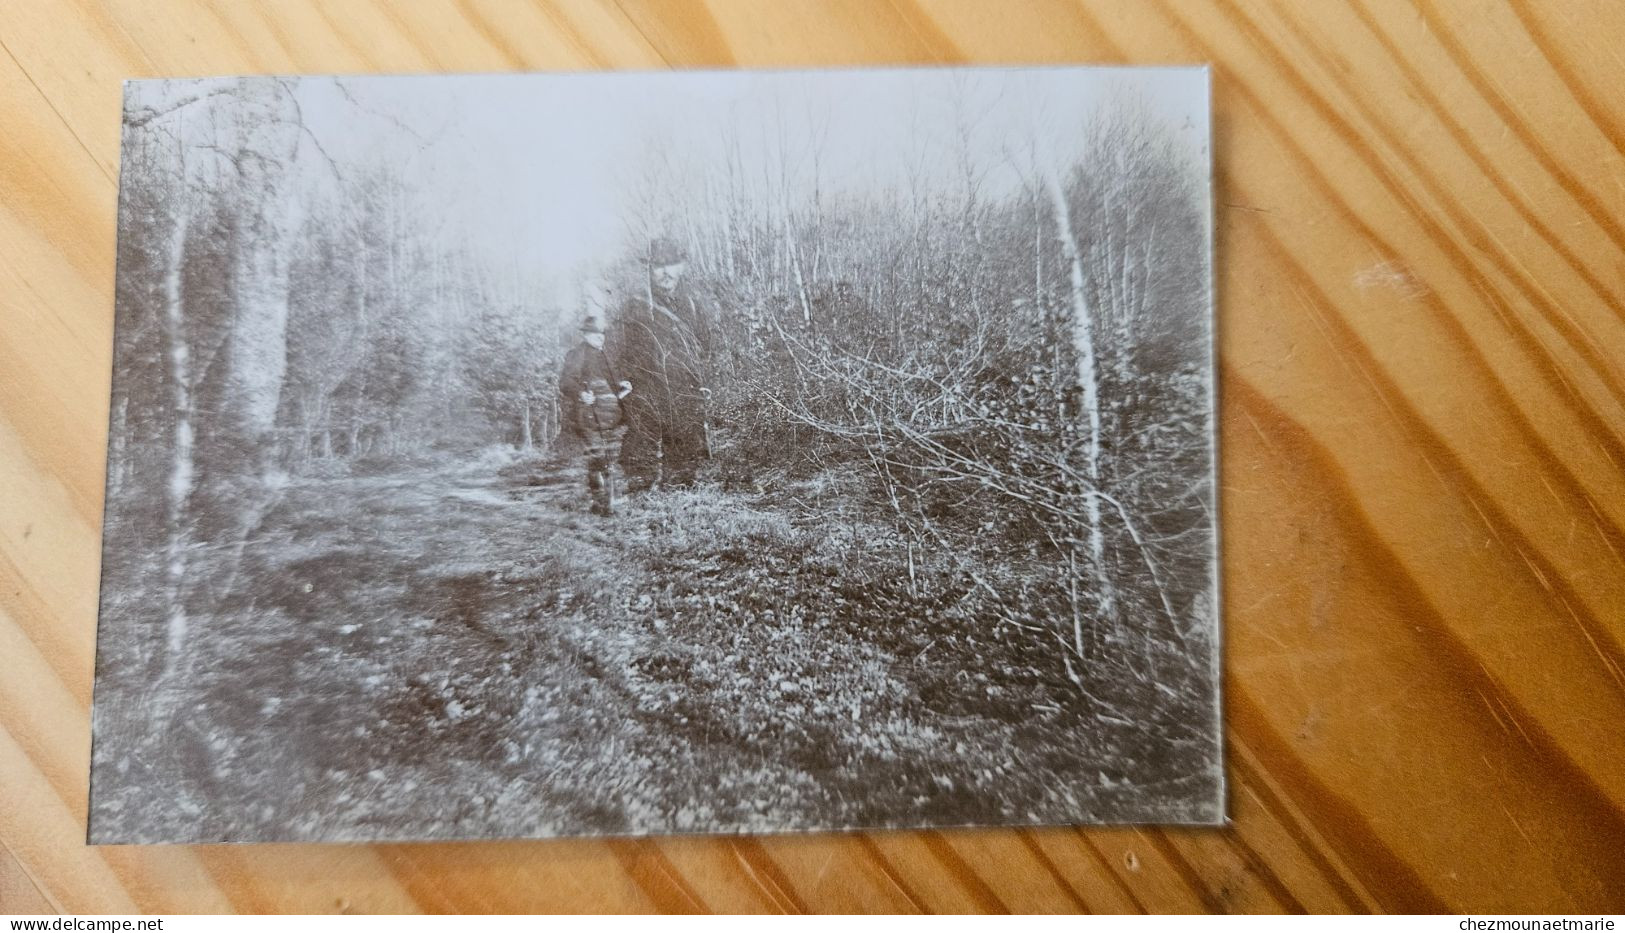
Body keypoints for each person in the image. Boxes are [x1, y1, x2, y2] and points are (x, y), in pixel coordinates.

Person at [607, 237, 713, 492]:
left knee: (684, 459)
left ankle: (677, 499)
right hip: (645, 390)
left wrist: (704, 382)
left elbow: (707, 347)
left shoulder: (693, 306)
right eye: (659, 266)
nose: (666, 272)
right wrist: (622, 381)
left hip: (683, 390)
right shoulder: (635, 306)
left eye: (672, 264)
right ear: (650, 270)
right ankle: (640, 501)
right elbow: (614, 347)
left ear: (682, 266)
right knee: (639, 457)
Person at [558, 312, 631, 516]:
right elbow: (565, 382)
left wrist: (622, 387)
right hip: (589, 415)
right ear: (586, 335)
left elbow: (611, 383)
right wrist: (581, 394)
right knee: (598, 457)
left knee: (609, 457)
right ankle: (601, 503)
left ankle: (607, 502)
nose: (601, 337)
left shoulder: (605, 354)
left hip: (611, 416)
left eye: (602, 333)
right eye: (595, 333)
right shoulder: (577, 354)